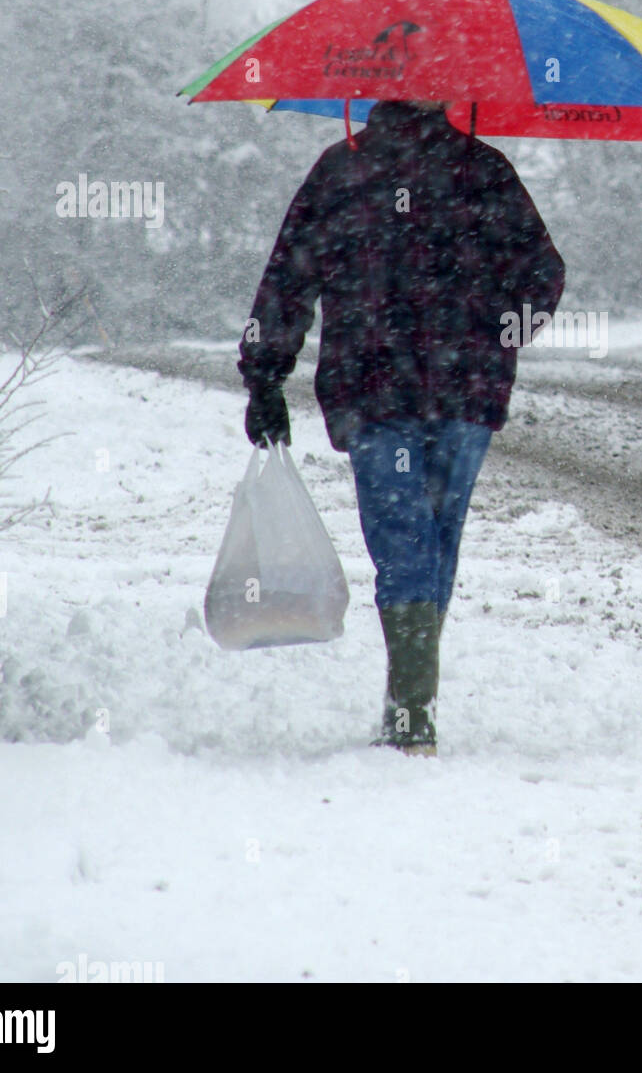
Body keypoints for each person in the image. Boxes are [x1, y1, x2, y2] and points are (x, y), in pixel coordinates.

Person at [238, 99, 565, 756]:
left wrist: (267, 374)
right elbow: (543, 276)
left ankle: (411, 709)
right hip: (461, 390)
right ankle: (413, 708)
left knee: (410, 540)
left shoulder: (342, 173)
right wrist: (495, 333)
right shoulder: (483, 171)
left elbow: (287, 281)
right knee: (428, 539)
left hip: (373, 389)